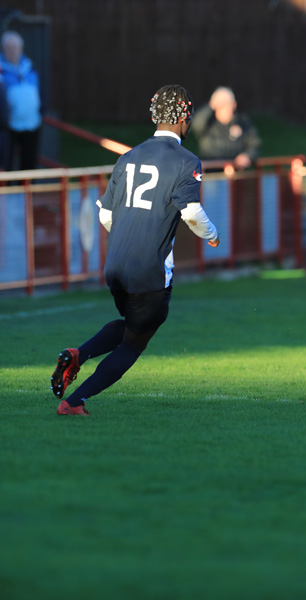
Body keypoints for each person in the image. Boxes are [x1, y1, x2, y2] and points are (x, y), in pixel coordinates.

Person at [50, 85, 221, 415]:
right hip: (148, 269)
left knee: (134, 323)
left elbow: (105, 214)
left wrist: (130, 235)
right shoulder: (187, 161)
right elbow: (191, 213)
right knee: (135, 341)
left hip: (115, 264)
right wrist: (212, 235)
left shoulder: (128, 156)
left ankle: (78, 354)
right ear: (185, 118)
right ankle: (74, 402)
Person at [0, 30, 41, 171]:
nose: (13, 51)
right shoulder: (1, 69)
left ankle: (28, 193)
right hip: (7, 126)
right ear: (4, 49)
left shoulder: (29, 66)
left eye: (15, 47)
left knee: (29, 163)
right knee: (7, 164)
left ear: (21, 49)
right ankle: (8, 192)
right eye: (9, 48)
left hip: (32, 122)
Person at [191, 87, 260, 168]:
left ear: (234, 105)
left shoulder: (242, 122)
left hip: (235, 171)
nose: (225, 107)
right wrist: (211, 106)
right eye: (220, 104)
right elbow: (196, 125)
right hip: (210, 171)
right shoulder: (208, 122)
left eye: (227, 103)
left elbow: (253, 144)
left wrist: (247, 156)